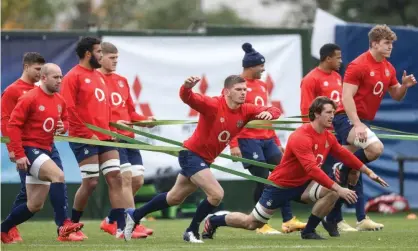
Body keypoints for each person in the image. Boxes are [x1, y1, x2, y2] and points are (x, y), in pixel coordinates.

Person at [201, 96, 389, 240]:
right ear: (316, 114)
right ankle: (214, 220)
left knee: (332, 192)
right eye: (328, 112)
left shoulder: (328, 136)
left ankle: (309, 231)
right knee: (252, 223)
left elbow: (345, 155)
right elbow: (312, 170)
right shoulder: (301, 136)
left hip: (303, 186)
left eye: (333, 112)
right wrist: (339, 187)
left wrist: (368, 172)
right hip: (280, 187)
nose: (333, 116)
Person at [124, 75, 282, 243]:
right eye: (238, 90)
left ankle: (135, 214)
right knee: (216, 194)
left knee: (174, 198)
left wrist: (269, 113)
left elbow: (275, 111)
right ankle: (191, 231)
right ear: (226, 91)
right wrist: (186, 87)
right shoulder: (213, 104)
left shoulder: (246, 109)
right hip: (190, 155)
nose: (243, 93)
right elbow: (188, 97)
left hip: (204, 160)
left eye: (244, 90)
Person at [325, 24, 417, 231]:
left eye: (391, 44)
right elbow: (346, 97)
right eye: (386, 43)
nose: (390, 47)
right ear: (374, 43)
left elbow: (396, 96)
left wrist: (403, 86)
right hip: (345, 119)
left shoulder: (388, 67)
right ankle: (343, 170)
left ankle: (339, 218)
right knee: (375, 149)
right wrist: (356, 123)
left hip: (361, 122)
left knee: (353, 173)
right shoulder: (358, 65)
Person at [1, 63, 84, 244]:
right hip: (30, 149)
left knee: (34, 205)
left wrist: (63, 127)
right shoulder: (29, 98)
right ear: (43, 78)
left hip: (45, 149)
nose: (59, 81)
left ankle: (3, 228)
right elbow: (13, 125)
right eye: (55, 77)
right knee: (58, 175)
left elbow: (64, 121)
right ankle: (64, 225)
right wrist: (19, 153)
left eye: (61, 77)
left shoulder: (59, 100)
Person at [230, 42, 305, 234]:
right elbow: (231, 115)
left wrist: (277, 142)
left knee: (285, 176)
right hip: (248, 140)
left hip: (267, 139)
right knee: (263, 180)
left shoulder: (262, 85)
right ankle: (260, 224)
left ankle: (288, 220)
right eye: (260, 66)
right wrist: (233, 143)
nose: (263, 70)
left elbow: (267, 115)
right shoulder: (237, 85)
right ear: (250, 66)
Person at [60, 37, 128, 239]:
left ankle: (122, 228)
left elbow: (104, 109)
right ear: (88, 54)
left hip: (105, 137)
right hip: (84, 138)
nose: (101, 54)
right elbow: (69, 109)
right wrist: (86, 133)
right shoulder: (73, 76)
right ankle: (70, 226)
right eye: (99, 51)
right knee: (90, 183)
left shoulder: (98, 76)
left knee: (116, 177)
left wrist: (111, 131)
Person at [98, 41, 153, 238]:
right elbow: (92, 113)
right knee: (125, 179)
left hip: (128, 137)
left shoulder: (121, 80)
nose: (115, 62)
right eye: (111, 58)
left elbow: (130, 111)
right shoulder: (95, 81)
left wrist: (144, 121)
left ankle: (112, 219)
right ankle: (132, 224)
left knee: (138, 180)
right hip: (112, 138)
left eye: (116, 59)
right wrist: (109, 125)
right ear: (100, 56)